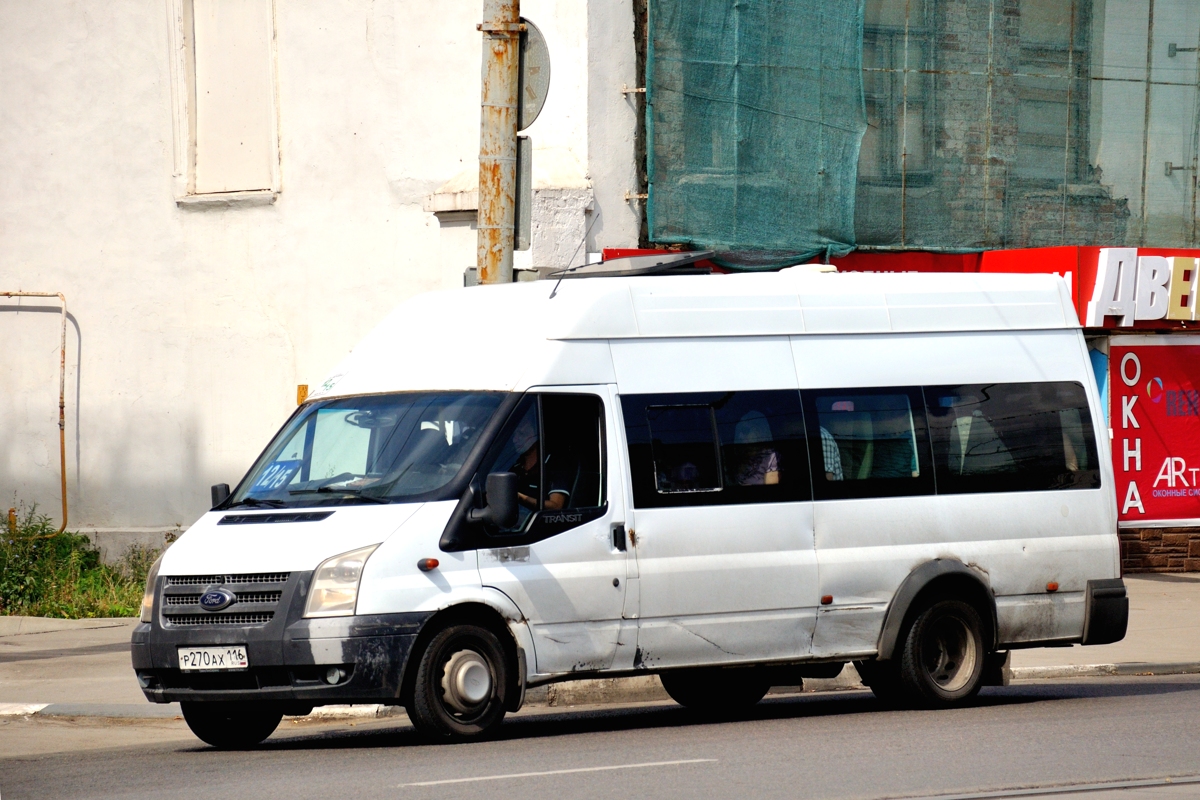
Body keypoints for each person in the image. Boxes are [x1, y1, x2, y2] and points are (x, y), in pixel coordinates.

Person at [508, 415, 571, 513]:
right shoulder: (515, 465)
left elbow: (556, 506)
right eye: (514, 435)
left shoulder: (555, 464)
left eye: (521, 434)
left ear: (538, 435)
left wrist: (519, 497)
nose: (514, 440)